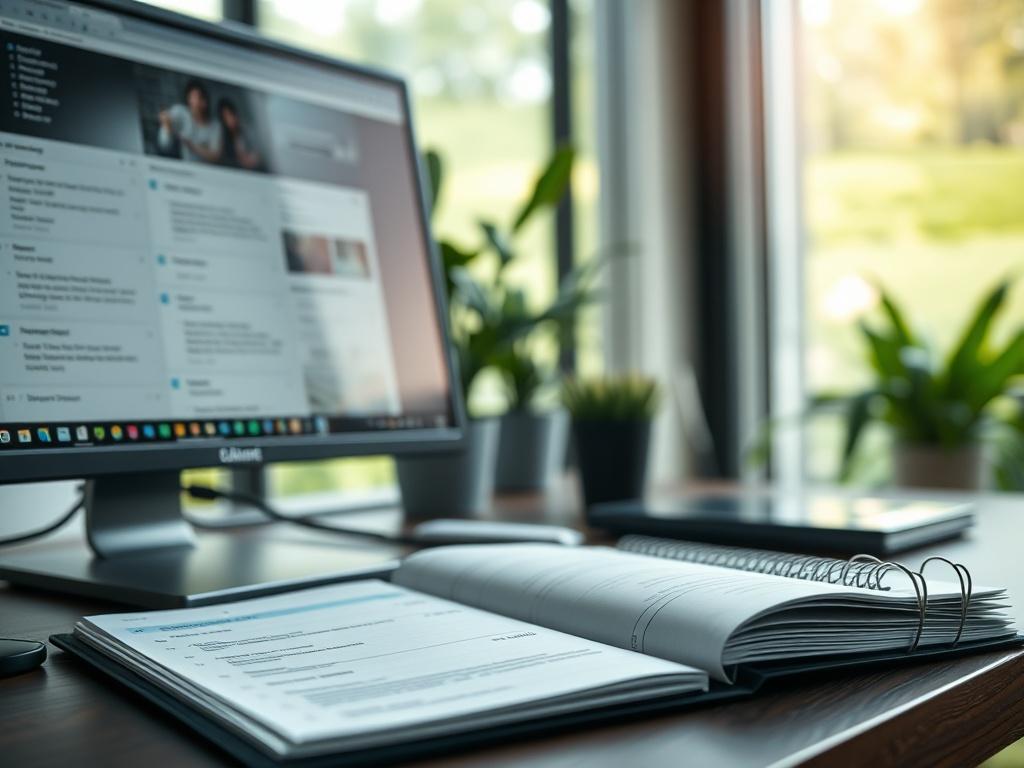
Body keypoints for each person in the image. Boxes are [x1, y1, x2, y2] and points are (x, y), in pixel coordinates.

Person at [157, 78, 222, 164]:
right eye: (191, 98)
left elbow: (215, 156)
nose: (194, 102)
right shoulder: (181, 112)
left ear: (205, 102)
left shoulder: (215, 125)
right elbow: (164, 143)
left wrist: (192, 146)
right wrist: (167, 123)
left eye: (198, 98)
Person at [217, 98, 261, 170]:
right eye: (225, 117)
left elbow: (258, 155)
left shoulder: (247, 130)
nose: (230, 119)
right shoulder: (222, 138)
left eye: (231, 114)